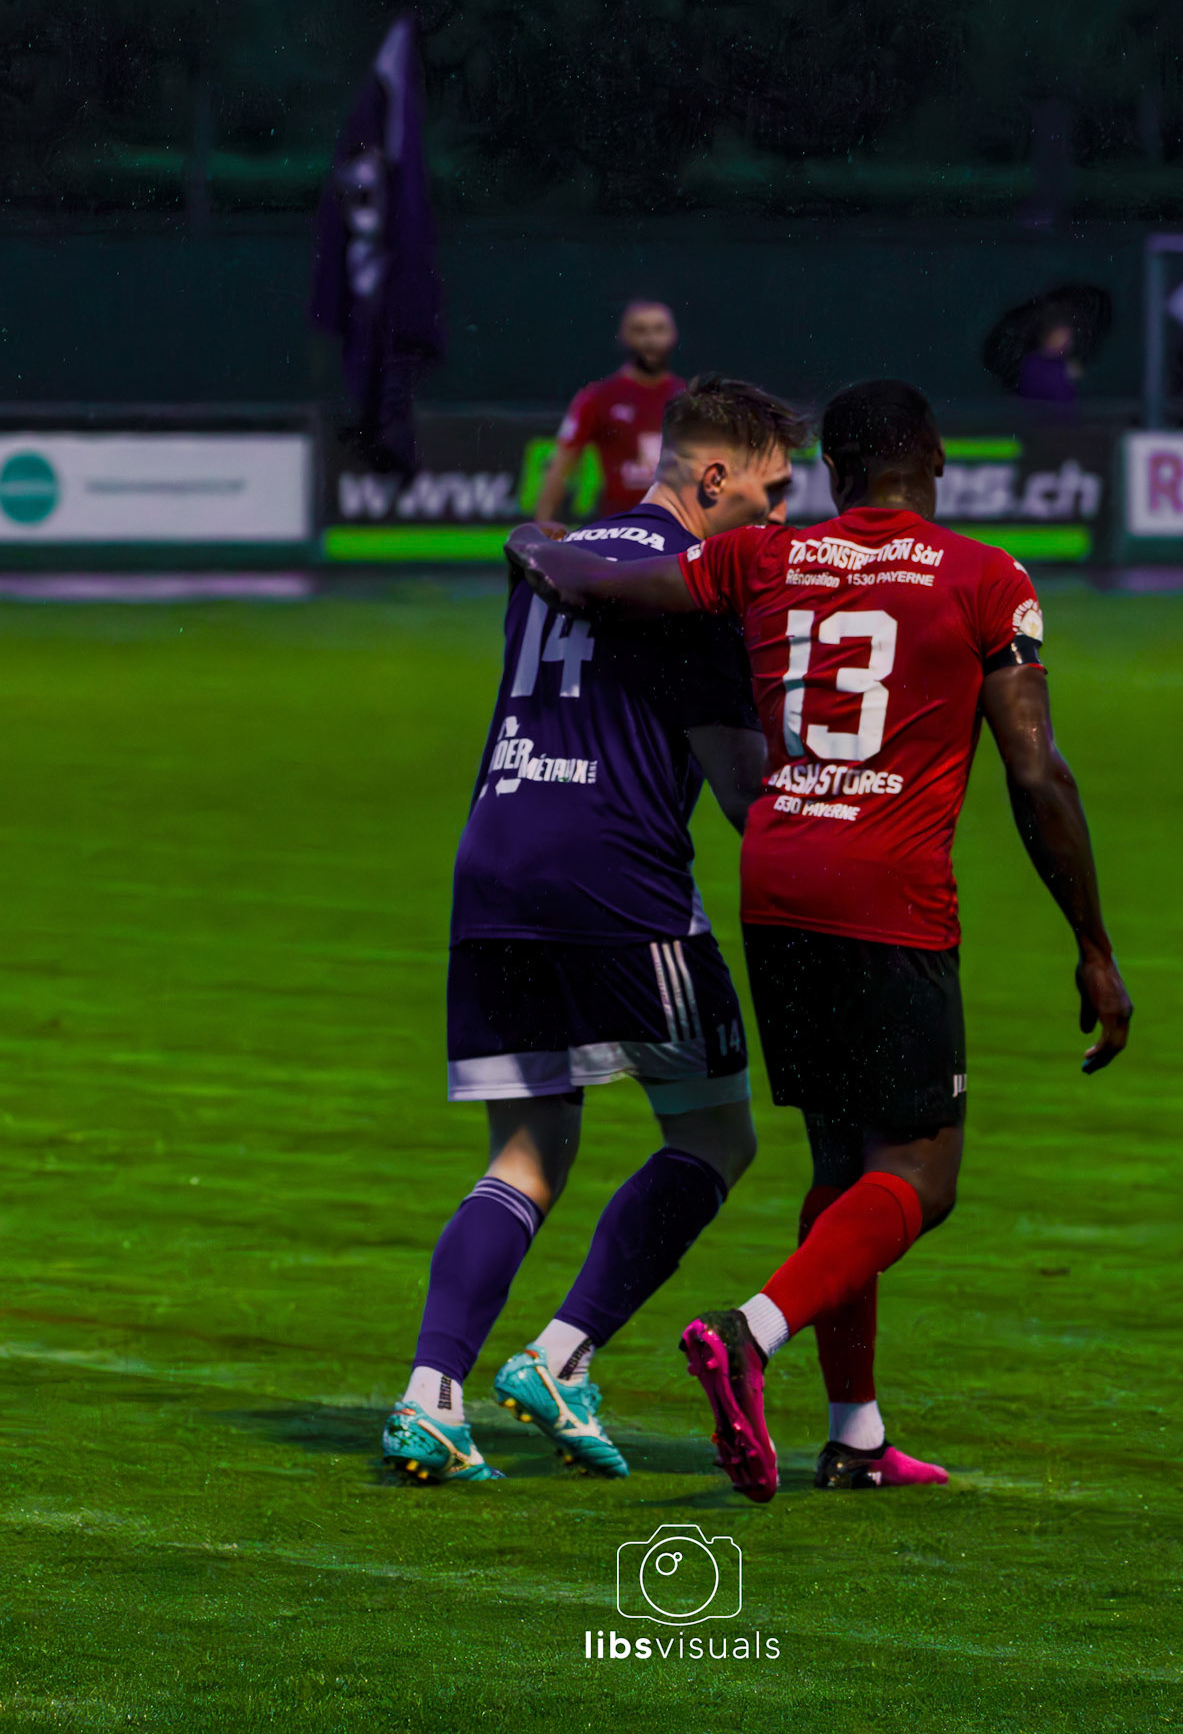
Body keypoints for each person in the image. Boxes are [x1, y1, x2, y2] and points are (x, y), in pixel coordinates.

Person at [509, 379, 1132, 1501]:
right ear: (936, 456)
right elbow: (1036, 771)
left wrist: (539, 545)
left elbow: (616, 583)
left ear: (837, 471)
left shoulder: (766, 559)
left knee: (845, 1164)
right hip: (888, 892)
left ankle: (854, 1432)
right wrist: (1093, 942)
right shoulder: (986, 576)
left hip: (779, 875)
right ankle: (751, 1330)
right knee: (922, 1175)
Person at [381, 377, 805, 1484]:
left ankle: (433, 1392)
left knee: (527, 1151)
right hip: (616, 875)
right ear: (713, 477)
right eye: (771, 488)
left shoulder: (558, 554)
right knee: (716, 1136)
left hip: (498, 854)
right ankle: (562, 1353)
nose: (780, 513)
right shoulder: (691, 588)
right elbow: (737, 789)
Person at [534, 301, 686, 523]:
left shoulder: (688, 397)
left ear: (674, 335)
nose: (651, 340)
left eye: (659, 329)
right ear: (624, 336)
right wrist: (542, 528)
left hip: (679, 529)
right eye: (640, 330)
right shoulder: (598, 397)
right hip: (620, 529)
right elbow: (560, 467)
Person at [1015, 320, 1081, 405]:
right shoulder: (1033, 362)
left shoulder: (1063, 363)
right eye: (1060, 337)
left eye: (1068, 339)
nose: (1066, 342)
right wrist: (1064, 372)